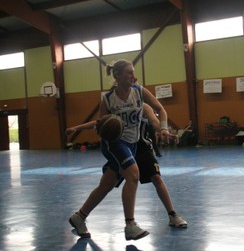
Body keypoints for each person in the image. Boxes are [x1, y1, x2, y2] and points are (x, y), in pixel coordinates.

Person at [66, 59, 170, 240]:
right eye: (129, 72)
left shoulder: (139, 91)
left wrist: (163, 128)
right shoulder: (107, 99)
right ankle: (130, 225)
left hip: (133, 143)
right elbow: (101, 124)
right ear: (117, 76)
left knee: (106, 184)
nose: (133, 76)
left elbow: (160, 109)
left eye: (133, 72)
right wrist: (78, 128)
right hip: (113, 144)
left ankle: (79, 217)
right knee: (133, 174)